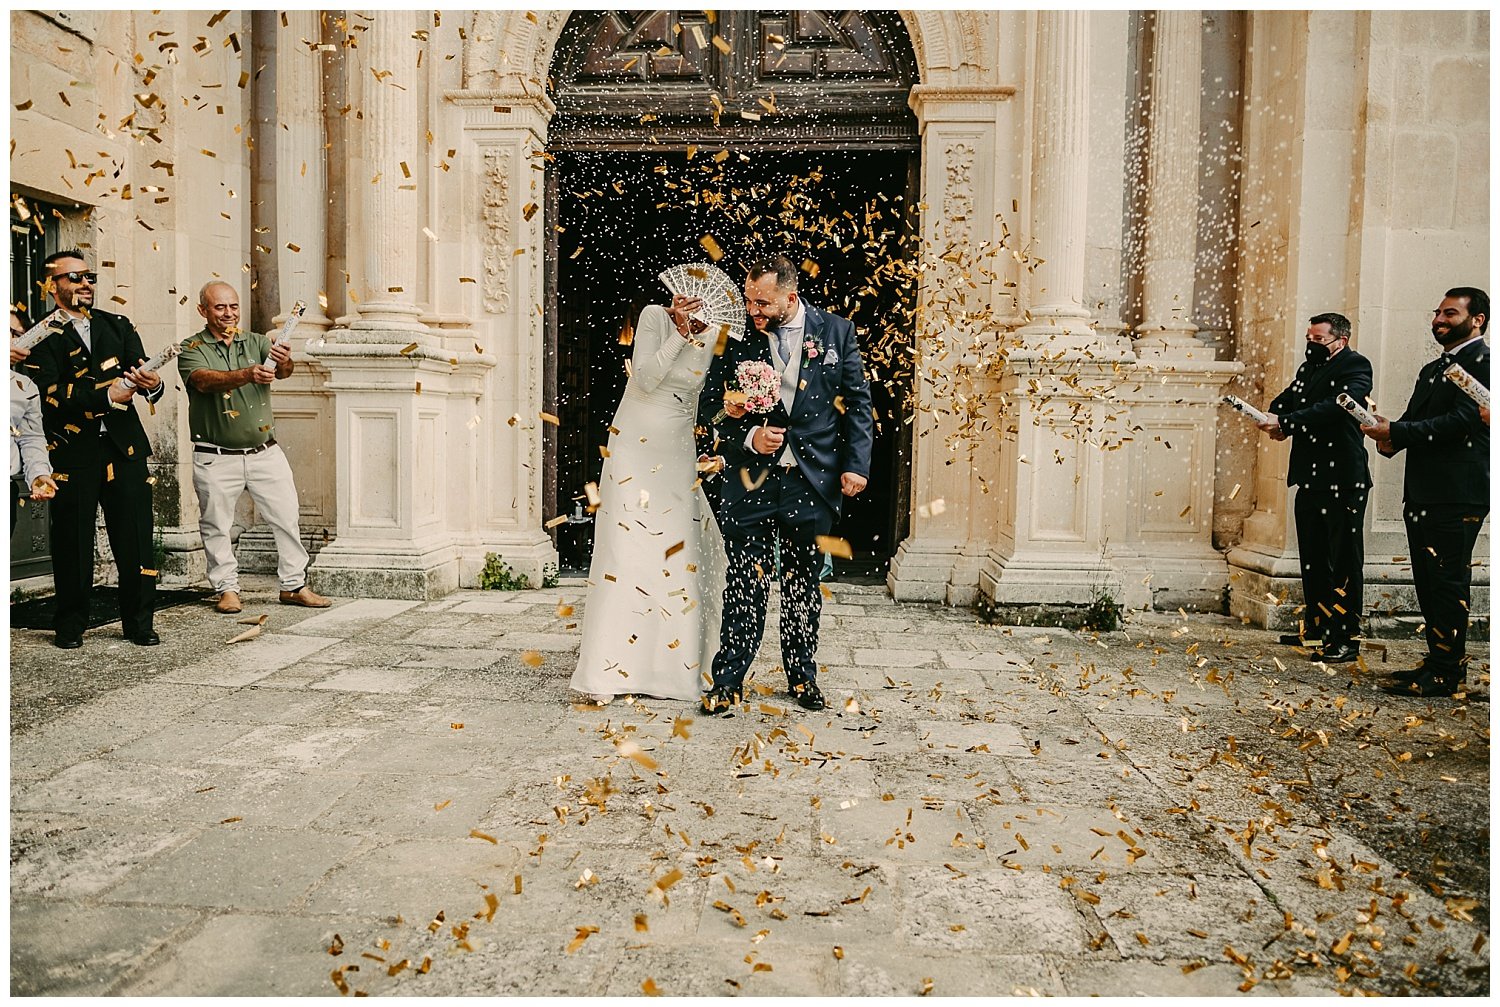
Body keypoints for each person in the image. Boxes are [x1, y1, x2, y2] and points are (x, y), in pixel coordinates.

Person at [698, 255, 874, 714]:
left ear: (790, 297)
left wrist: (857, 465)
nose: (752, 310)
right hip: (749, 481)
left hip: (812, 482)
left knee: (802, 583)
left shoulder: (838, 332)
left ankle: (802, 676)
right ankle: (728, 681)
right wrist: (745, 433)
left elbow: (857, 404)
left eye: (762, 303)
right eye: (748, 299)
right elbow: (708, 409)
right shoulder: (734, 336)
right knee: (744, 582)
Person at [570, 294, 726, 703]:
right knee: (626, 547)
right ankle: (608, 670)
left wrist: (716, 437)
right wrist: (677, 332)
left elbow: (704, 401)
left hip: (676, 448)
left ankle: (674, 671)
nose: (696, 306)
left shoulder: (717, 336)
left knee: (677, 551)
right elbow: (644, 377)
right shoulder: (655, 317)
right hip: (635, 444)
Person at [25, 250, 164, 648]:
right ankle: (70, 625)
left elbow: (144, 376)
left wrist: (150, 383)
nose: (85, 284)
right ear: (51, 286)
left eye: (89, 277)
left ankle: (139, 624)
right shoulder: (39, 337)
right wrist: (107, 395)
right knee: (73, 541)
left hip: (125, 449)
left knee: (136, 538)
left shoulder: (117, 325)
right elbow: (51, 395)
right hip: (71, 451)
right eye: (74, 278)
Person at [1360, 286, 1490, 698]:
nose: (1438, 319)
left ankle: (1446, 672)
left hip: (1458, 491)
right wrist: (1388, 434)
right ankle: (1439, 662)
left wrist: (1397, 431)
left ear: (1477, 320)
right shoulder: (1434, 369)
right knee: (1429, 581)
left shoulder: (1485, 363)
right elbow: (1418, 420)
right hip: (1425, 490)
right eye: (1437, 312)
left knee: (1448, 582)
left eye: (1449, 313)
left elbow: (1461, 422)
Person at [177, 281, 330, 614]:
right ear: (203, 310)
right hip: (215, 455)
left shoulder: (258, 341)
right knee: (217, 524)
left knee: (287, 518)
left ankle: (293, 586)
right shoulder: (191, 347)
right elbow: (203, 380)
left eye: (233, 306)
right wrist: (248, 373)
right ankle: (227, 589)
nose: (229, 313)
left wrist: (284, 359)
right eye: (219, 307)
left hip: (265, 451)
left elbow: (283, 373)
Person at [1257, 313, 1372, 662]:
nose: (1312, 345)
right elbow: (1288, 399)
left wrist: (1288, 422)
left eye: (1319, 340)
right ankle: (1318, 627)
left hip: (1343, 479)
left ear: (1342, 339)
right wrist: (1273, 417)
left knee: (1343, 561)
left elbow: (1334, 410)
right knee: (1314, 557)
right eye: (1309, 338)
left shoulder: (1356, 367)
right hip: (1310, 477)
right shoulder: (1309, 370)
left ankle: (1346, 637)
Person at [10, 310, 57, 532]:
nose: (11, 339)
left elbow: (31, 438)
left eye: (16, 334)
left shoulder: (25, 386)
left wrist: (39, 473)